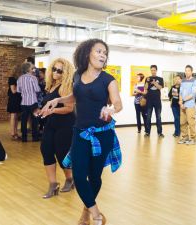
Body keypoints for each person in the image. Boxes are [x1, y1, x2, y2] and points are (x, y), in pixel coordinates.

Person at [41, 39, 123, 225]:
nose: (103, 55)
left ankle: (86, 212)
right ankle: (96, 215)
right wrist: (59, 100)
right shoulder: (78, 75)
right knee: (78, 175)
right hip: (80, 133)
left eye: (105, 52)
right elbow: (77, 95)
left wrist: (111, 110)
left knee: (94, 176)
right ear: (87, 54)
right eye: (99, 51)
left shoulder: (108, 79)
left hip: (101, 135)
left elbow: (117, 103)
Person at [37, 59, 75, 199]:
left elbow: (69, 109)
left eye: (59, 70)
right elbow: (49, 105)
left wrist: (52, 111)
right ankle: (53, 184)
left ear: (66, 73)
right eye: (54, 69)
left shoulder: (66, 87)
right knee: (46, 150)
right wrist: (42, 111)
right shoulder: (51, 85)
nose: (55, 72)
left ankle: (70, 179)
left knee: (61, 153)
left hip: (65, 124)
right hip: (51, 124)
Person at [17, 62, 41, 142]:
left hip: (23, 103)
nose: (33, 69)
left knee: (23, 121)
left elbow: (18, 90)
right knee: (34, 120)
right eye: (32, 68)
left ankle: (24, 138)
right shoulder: (33, 78)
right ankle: (35, 137)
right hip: (33, 102)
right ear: (28, 69)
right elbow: (37, 89)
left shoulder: (20, 78)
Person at [178, 65, 196, 144]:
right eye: (185, 71)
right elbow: (180, 92)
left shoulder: (195, 81)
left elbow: (192, 94)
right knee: (182, 122)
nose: (187, 72)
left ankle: (193, 139)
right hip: (182, 105)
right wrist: (180, 101)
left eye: (188, 71)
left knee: (191, 122)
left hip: (190, 105)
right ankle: (185, 137)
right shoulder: (183, 81)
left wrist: (183, 100)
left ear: (191, 72)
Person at [144, 65, 164, 137]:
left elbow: (160, 87)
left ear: (156, 70)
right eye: (151, 70)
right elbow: (145, 88)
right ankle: (147, 132)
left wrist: (155, 83)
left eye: (154, 70)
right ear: (150, 70)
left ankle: (160, 132)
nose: (153, 71)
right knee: (148, 117)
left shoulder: (160, 79)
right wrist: (147, 81)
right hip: (149, 101)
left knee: (158, 117)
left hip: (157, 101)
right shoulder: (147, 78)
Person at [7, 64, 22, 140]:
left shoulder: (18, 78)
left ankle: (16, 132)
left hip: (18, 99)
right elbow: (13, 91)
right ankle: (13, 133)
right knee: (13, 116)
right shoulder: (12, 78)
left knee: (16, 117)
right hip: (13, 99)